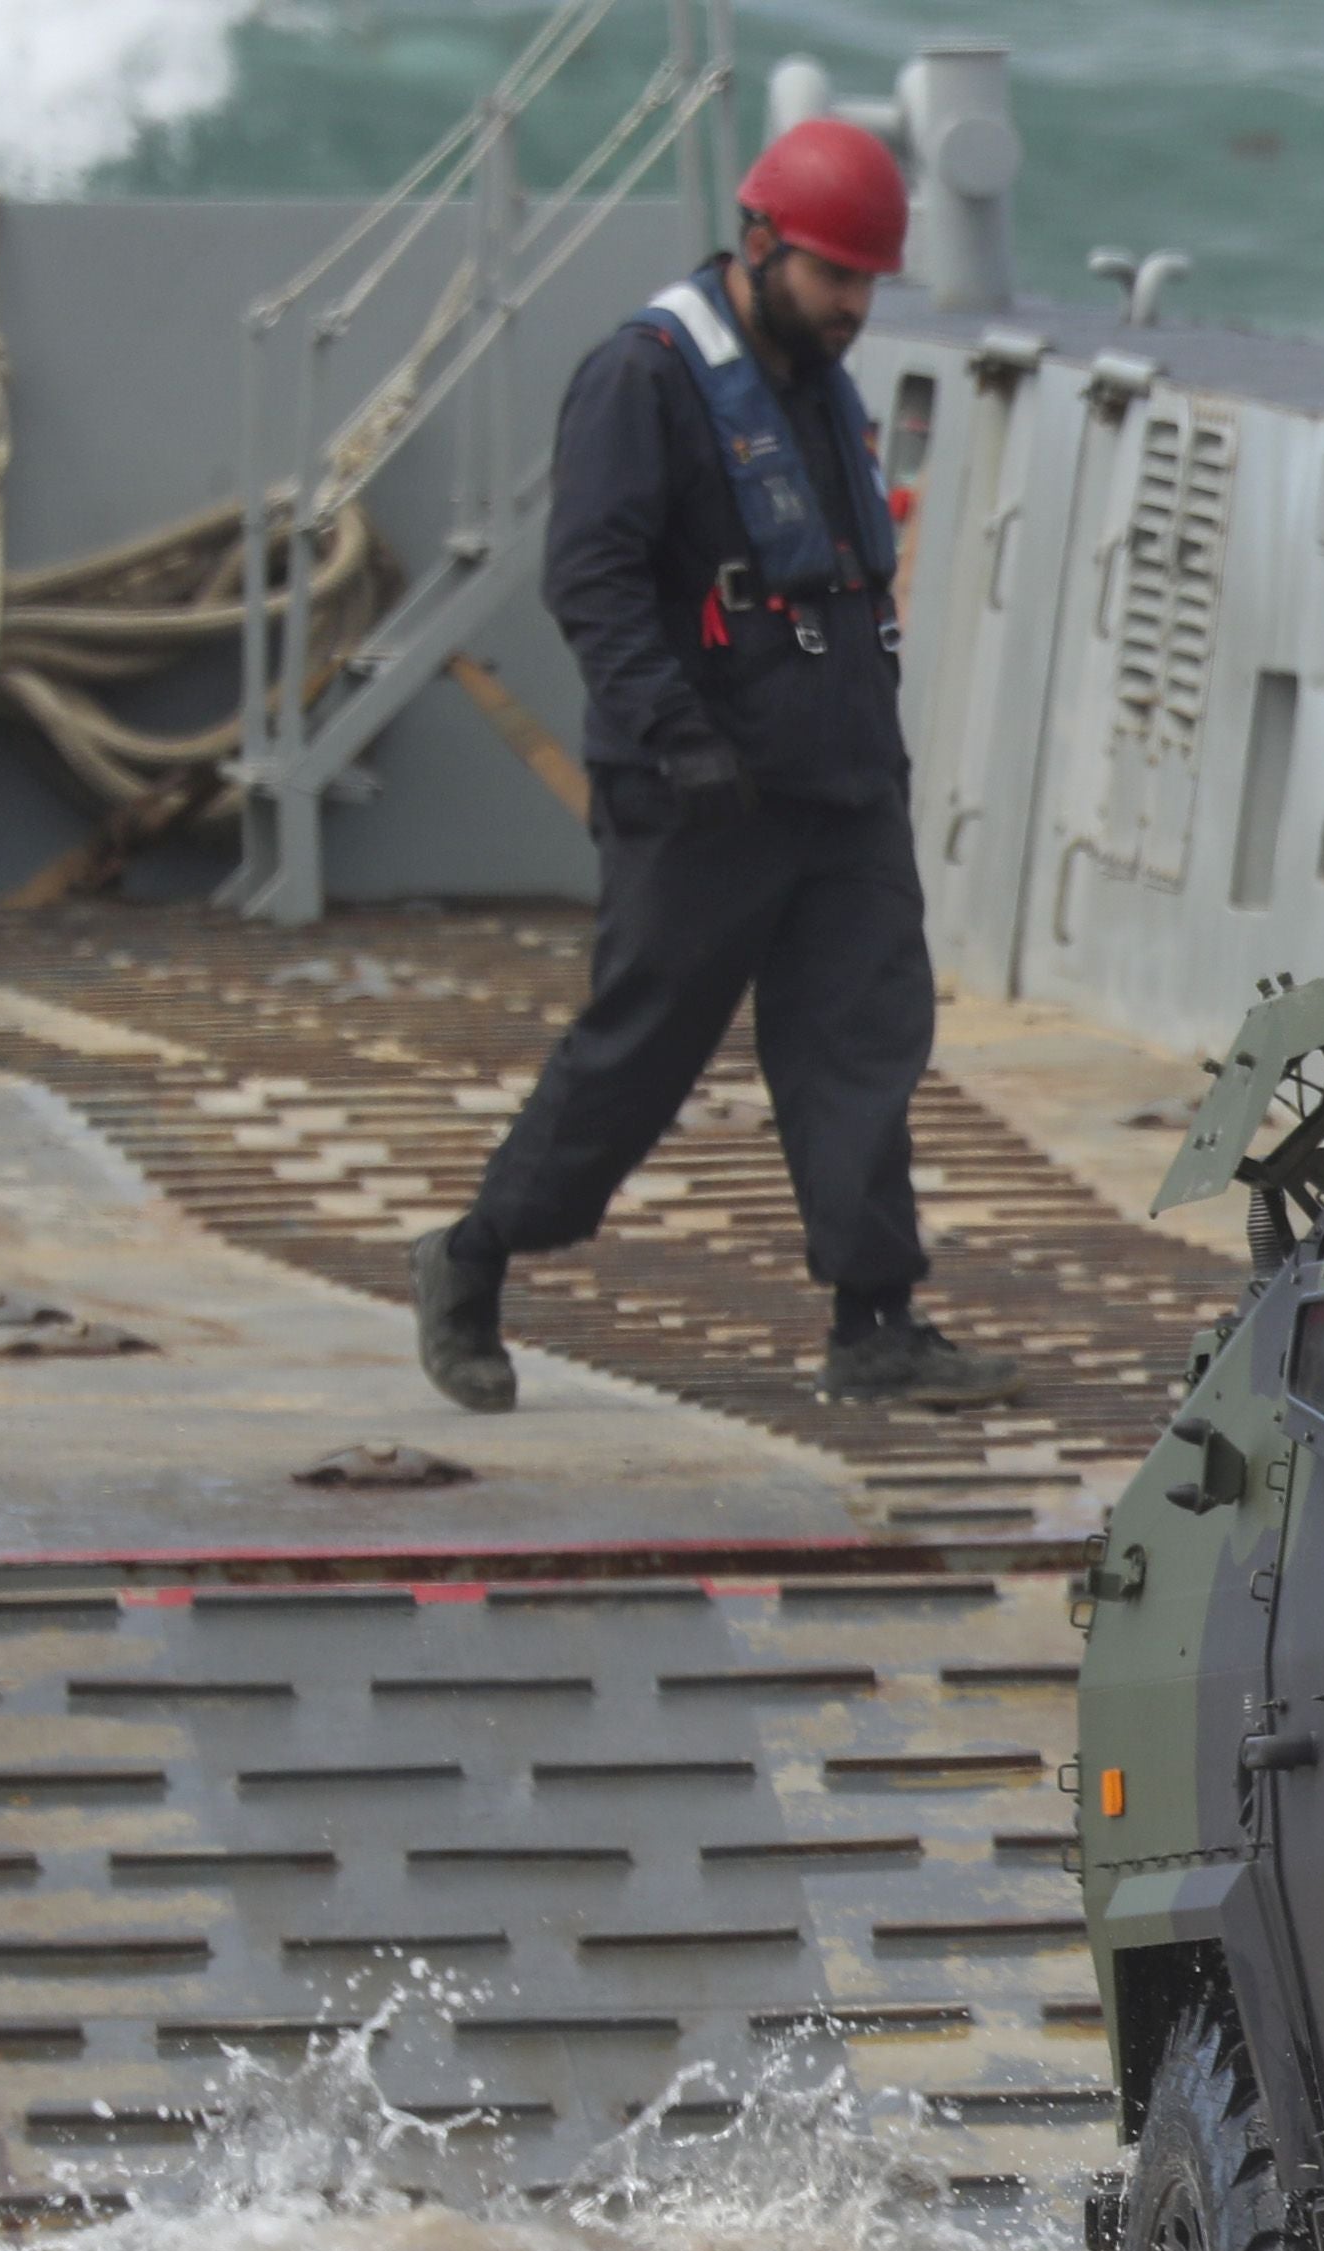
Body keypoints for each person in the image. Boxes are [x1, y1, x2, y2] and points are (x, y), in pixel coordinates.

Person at [411, 118, 1021, 1416]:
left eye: (868, 282)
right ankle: (470, 1260)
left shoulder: (813, 378)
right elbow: (592, 579)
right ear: (758, 247)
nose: (856, 306)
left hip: (844, 783)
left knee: (862, 1045)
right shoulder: (643, 381)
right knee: (636, 1053)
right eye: (833, 278)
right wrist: (676, 736)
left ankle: (875, 1326)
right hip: (703, 796)